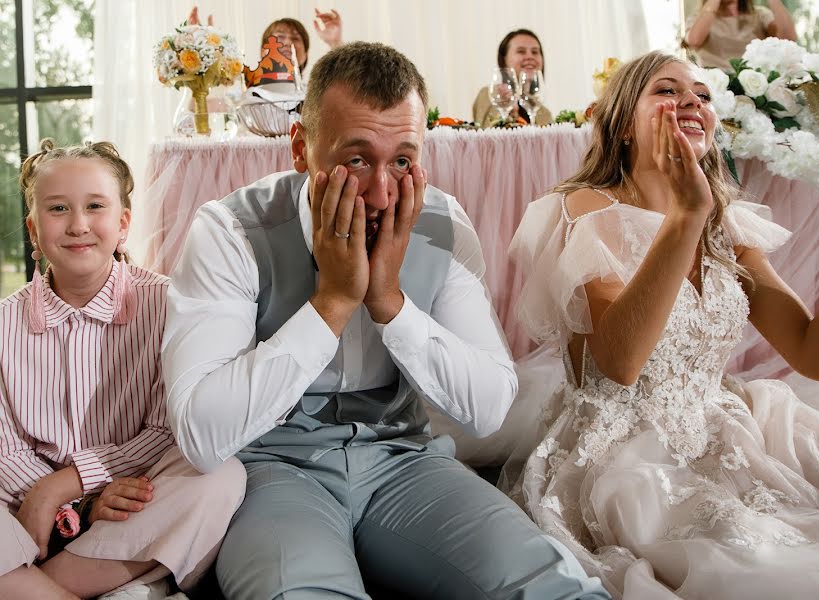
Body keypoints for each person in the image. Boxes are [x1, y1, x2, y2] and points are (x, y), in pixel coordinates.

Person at [161, 41, 610, 600]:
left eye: (402, 160)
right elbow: (202, 435)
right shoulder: (230, 231)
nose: (380, 193)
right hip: (272, 471)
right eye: (355, 160)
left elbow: (489, 407)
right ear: (301, 148)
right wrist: (331, 303)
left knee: (552, 585)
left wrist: (390, 303)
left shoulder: (443, 224)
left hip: (406, 461)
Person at [502, 50, 819, 599]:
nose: (691, 101)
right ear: (621, 126)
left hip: (725, 431)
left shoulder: (727, 225)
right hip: (626, 455)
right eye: (666, 91)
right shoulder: (585, 209)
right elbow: (618, 365)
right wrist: (686, 217)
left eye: (703, 96)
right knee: (762, 567)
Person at [0, 140, 246, 600]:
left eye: (95, 206)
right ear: (34, 230)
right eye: (57, 209)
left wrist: (70, 488)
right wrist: (61, 507)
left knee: (220, 475)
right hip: (23, 513)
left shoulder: (170, 305)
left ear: (123, 223)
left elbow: (165, 429)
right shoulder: (3, 325)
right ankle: (129, 588)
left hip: (132, 500)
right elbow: (4, 450)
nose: (78, 225)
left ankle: (33, 589)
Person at [188, 5, 343, 76]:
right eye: (280, 37)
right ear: (264, 50)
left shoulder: (316, 95)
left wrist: (335, 42)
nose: (288, 42)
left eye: (296, 38)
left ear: (306, 54)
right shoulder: (243, 93)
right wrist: (204, 49)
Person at [473, 28, 553, 126]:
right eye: (521, 51)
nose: (530, 56)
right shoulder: (490, 95)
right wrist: (508, 116)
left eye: (535, 52)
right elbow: (485, 135)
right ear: (504, 60)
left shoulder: (545, 113)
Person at [685, 0, 797, 70]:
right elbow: (694, 40)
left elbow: (788, 38)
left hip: (756, 88)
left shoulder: (760, 15)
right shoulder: (699, 18)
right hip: (714, 88)